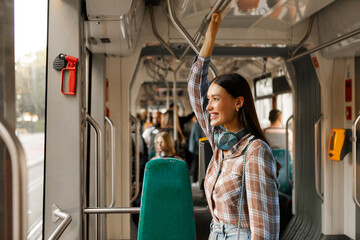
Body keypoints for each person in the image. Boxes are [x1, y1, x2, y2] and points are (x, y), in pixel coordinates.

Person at [187, 11, 280, 239]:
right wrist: (210, 37)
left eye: (216, 99)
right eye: (209, 99)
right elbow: (194, 89)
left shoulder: (255, 151)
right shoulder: (220, 143)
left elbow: (264, 226)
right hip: (216, 233)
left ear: (238, 102)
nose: (208, 106)